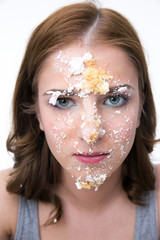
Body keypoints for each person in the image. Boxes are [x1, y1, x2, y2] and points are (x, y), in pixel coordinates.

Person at [0, 1, 160, 239]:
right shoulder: (5, 204)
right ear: (36, 112)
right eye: (63, 101)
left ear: (141, 107)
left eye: (115, 99)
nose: (91, 132)